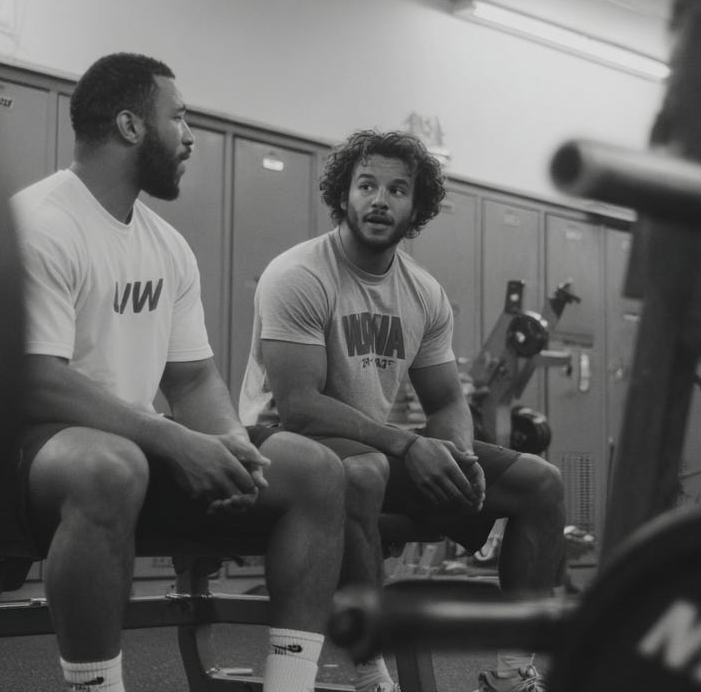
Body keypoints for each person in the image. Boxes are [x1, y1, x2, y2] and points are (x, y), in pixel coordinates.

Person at [11, 53, 344, 692]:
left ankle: (290, 685)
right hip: (26, 446)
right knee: (111, 465)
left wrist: (232, 448)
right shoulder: (42, 225)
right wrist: (171, 439)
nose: (190, 136)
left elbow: (191, 379)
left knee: (314, 473)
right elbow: (36, 380)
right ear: (132, 126)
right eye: (180, 117)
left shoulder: (166, 244)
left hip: (133, 441)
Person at [239, 130, 567, 692]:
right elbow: (297, 408)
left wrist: (457, 456)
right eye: (366, 185)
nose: (379, 200)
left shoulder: (423, 293)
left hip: (373, 446)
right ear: (345, 194)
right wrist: (408, 445)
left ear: (417, 208)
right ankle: (372, 675)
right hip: (284, 448)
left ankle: (515, 674)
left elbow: (445, 401)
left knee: (540, 483)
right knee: (363, 473)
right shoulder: (299, 275)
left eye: (397, 190)